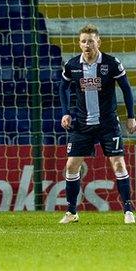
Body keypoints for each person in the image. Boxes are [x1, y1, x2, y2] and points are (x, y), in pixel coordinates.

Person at [58, 23, 136, 224]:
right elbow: (63, 88)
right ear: (79, 43)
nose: (87, 45)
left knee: (118, 163)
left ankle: (128, 210)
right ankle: (72, 211)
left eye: (91, 41)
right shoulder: (72, 65)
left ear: (98, 42)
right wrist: (66, 113)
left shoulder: (111, 63)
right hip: (82, 124)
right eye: (83, 41)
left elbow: (126, 89)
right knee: (71, 166)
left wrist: (131, 116)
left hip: (108, 123)